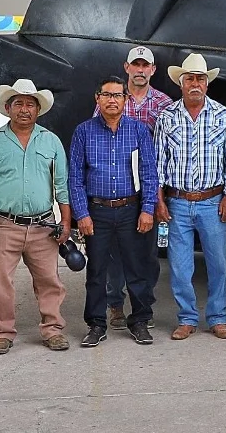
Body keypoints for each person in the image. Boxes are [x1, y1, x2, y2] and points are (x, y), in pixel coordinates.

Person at [0, 79, 73, 355]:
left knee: (49, 280)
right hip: (3, 225)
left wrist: (66, 221)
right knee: (0, 283)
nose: (24, 109)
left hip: (43, 226)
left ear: (38, 110)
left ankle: (53, 330)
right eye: (19, 104)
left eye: (30, 104)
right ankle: (2, 332)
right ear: (8, 108)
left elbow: (62, 184)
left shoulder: (51, 141)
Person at [69, 76, 159, 347]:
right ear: (97, 99)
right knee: (97, 271)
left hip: (131, 209)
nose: (112, 100)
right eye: (106, 95)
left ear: (125, 100)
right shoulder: (83, 132)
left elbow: (149, 173)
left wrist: (147, 209)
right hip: (97, 212)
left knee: (137, 268)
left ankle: (140, 321)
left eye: (117, 95)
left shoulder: (139, 130)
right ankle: (96, 324)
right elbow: (75, 177)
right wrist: (81, 214)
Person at [154, 53, 226, 341]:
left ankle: (217, 317)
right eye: (189, 78)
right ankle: (187, 318)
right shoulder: (167, 116)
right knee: (180, 265)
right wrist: (159, 200)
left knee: (217, 263)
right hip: (177, 201)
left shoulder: (223, 115)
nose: (194, 83)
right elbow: (157, 162)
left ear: (207, 83)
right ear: (181, 82)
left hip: (213, 201)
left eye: (200, 79)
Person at [94, 46, 172, 330]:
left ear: (153, 70)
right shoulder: (111, 99)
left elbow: (166, 152)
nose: (140, 70)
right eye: (135, 65)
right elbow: (96, 139)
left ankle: (144, 305)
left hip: (148, 187)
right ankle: (115, 304)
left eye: (145, 66)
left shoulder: (165, 104)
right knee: (114, 251)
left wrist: (158, 195)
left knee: (147, 252)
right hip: (117, 187)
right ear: (127, 67)